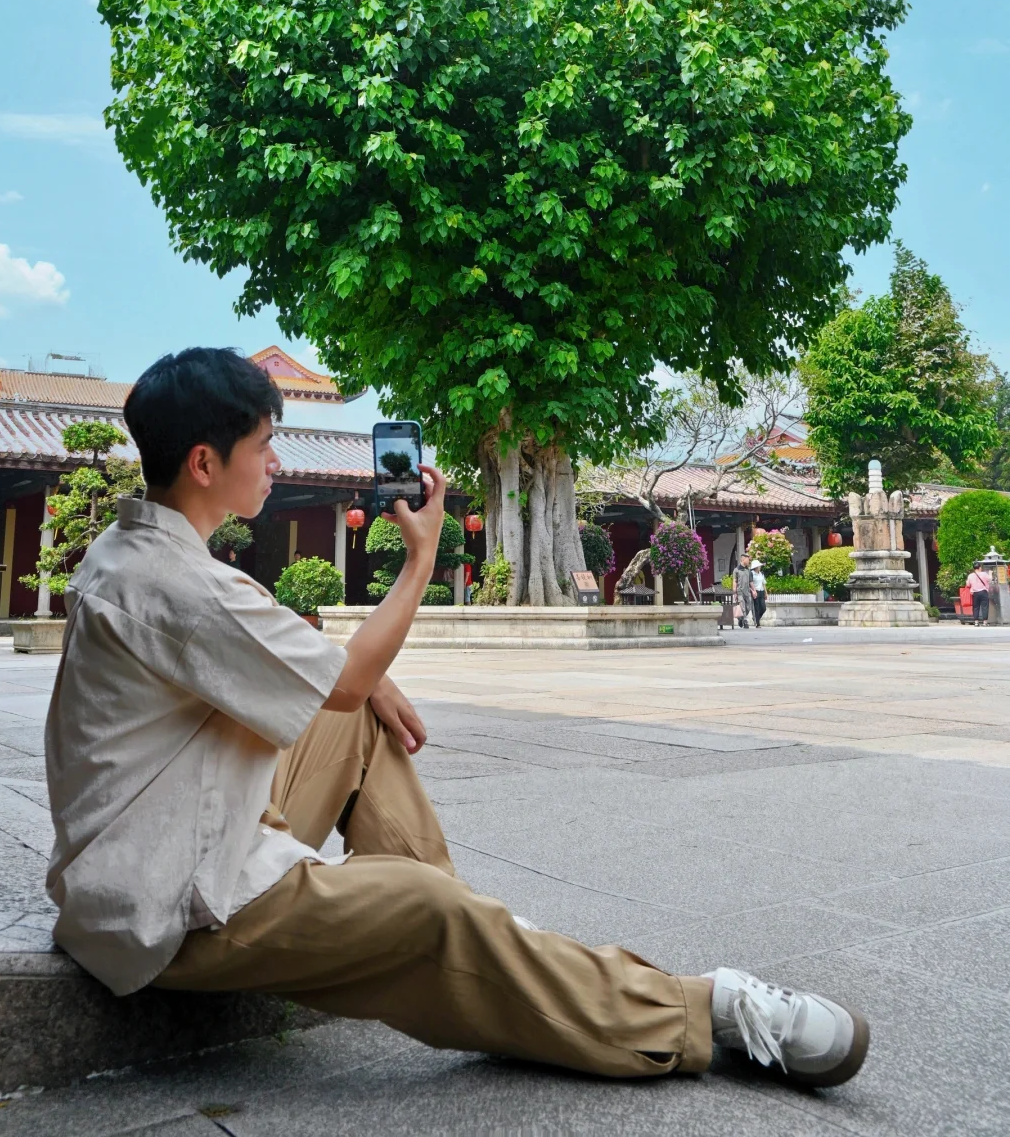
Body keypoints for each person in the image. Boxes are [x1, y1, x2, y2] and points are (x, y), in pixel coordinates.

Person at [43, 348, 869, 1089]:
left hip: (198, 830)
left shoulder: (143, 554)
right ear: (203, 461)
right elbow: (344, 673)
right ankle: (697, 1010)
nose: (274, 461)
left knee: (364, 720)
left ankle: (487, 947)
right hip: (175, 906)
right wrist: (421, 560)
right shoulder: (176, 585)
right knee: (424, 895)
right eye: (263, 445)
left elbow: (320, 676)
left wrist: (358, 687)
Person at [966, 562, 991, 626]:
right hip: (983, 592)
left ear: (974, 568)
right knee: (984, 607)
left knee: (975, 607)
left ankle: (976, 622)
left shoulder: (970, 575)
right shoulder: (984, 574)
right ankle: (985, 622)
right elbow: (990, 580)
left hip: (975, 593)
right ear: (979, 567)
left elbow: (968, 585)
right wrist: (990, 573)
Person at [733, 553, 754, 629]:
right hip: (740, 592)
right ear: (743, 559)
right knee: (742, 607)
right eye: (748, 559)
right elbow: (734, 581)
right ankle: (745, 621)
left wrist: (754, 591)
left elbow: (751, 582)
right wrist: (734, 592)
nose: (748, 561)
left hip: (747, 592)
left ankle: (740, 618)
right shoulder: (736, 570)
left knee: (748, 607)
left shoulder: (748, 570)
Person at [750, 558, 767, 628]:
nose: (760, 567)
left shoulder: (761, 573)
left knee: (763, 608)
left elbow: (764, 583)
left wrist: (766, 593)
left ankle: (756, 619)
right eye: (759, 566)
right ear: (756, 567)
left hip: (761, 591)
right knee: (756, 607)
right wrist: (753, 591)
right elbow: (750, 583)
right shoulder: (751, 573)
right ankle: (757, 623)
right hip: (755, 591)